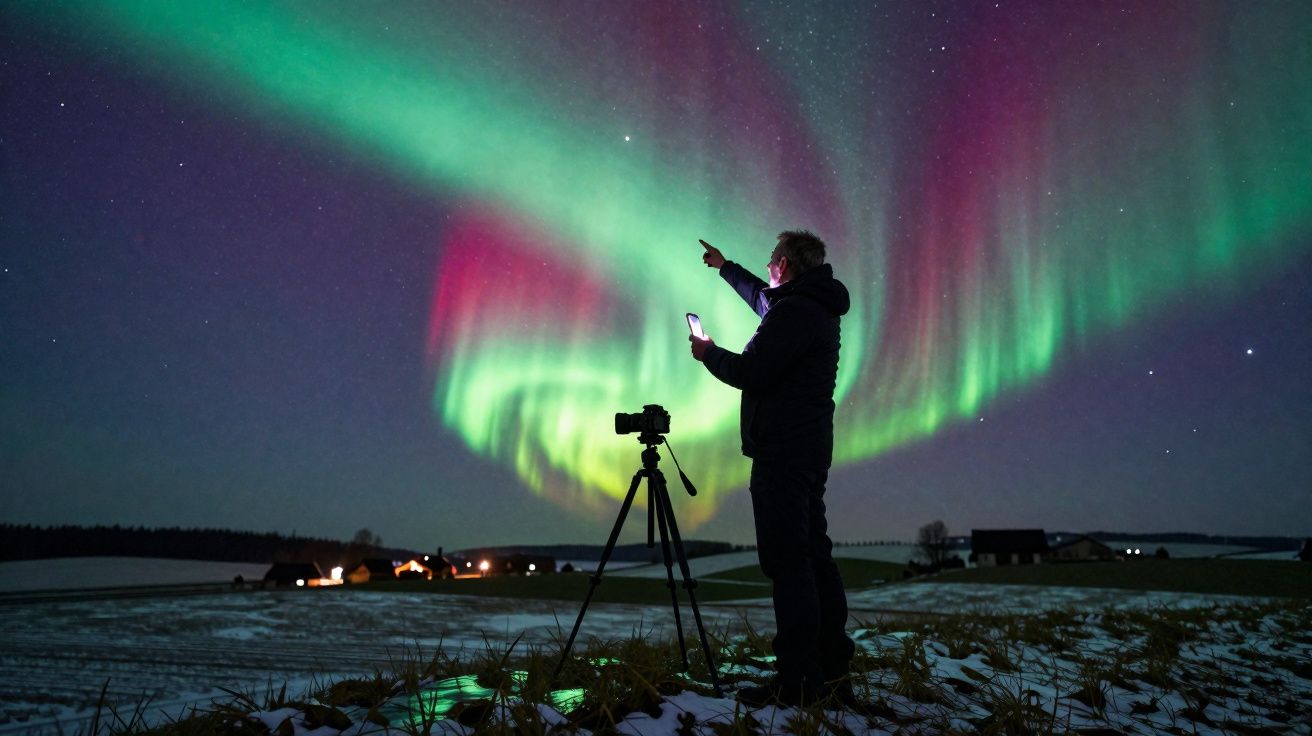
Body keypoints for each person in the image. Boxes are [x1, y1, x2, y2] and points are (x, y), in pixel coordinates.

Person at [689, 231, 855, 707]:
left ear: (784, 264)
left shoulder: (796, 312)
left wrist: (708, 354)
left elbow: (753, 373)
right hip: (806, 448)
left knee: (789, 561)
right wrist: (725, 266)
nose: (767, 267)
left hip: (783, 451)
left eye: (771, 260)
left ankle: (799, 680)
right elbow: (762, 299)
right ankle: (830, 669)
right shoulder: (808, 304)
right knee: (812, 555)